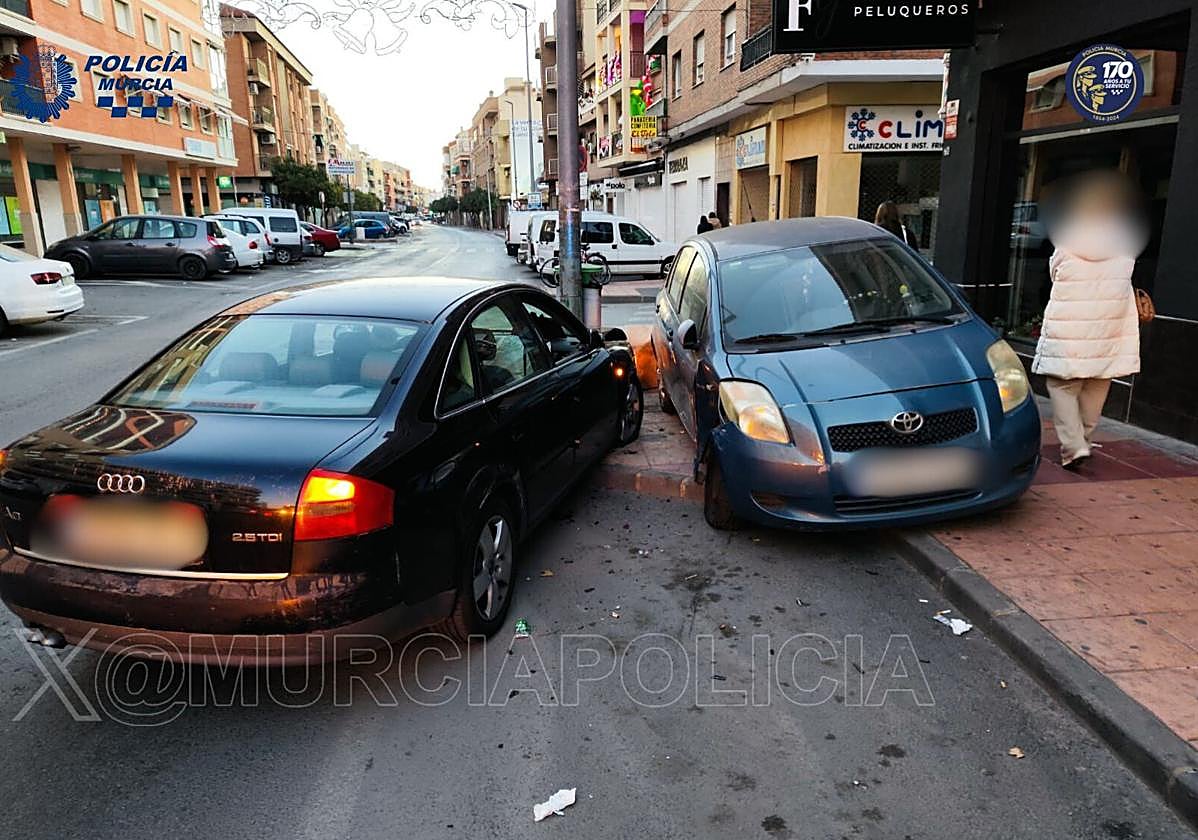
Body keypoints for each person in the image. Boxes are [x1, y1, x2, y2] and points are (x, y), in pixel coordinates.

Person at [1032, 172, 1146, 469]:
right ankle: (1083, 437)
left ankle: (1073, 446)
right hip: (1109, 326)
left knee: (1062, 385)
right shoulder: (1125, 246)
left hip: (1070, 326)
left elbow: (1055, 275)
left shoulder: (1067, 243)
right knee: (1098, 381)